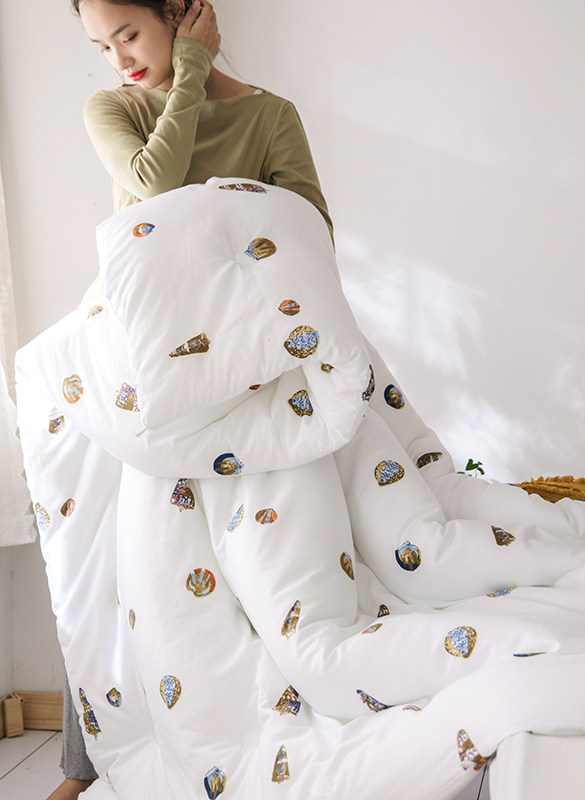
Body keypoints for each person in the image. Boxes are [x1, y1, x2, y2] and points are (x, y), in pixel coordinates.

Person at [47, 2, 332, 798]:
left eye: (129, 34)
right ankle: (83, 767)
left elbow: (312, 235)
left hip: (251, 365)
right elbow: (150, 189)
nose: (119, 59)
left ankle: (264, 749)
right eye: (101, 45)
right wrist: (194, 71)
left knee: (267, 561)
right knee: (115, 561)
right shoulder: (114, 108)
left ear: (182, 12)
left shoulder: (271, 116)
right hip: (145, 373)